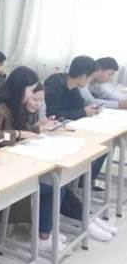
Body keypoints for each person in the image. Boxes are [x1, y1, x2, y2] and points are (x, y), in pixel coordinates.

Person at [0, 68, 116, 244]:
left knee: (58, 180)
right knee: (54, 184)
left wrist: (37, 129)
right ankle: (50, 232)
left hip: (14, 162)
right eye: (31, 91)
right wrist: (19, 134)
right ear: (20, 88)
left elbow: (17, 131)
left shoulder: (15, 106)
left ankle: (76, 222)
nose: (31, 96)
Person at [44, 55, 108, 193]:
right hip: (52, 133)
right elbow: (53, 115)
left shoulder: (73, 87)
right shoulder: (55, 86)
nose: (90, 81)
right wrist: (83, 112)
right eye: (90, 78)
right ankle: (74, 185)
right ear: (83, 77)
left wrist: (90, 109)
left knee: (101, 148)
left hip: (67, 129)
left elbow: (79, 106)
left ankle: (82, 182)